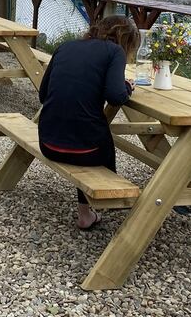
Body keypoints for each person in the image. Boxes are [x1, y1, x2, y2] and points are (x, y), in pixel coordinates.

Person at [37, 15, 140, 230]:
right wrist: (128, 87)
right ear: (126, 40)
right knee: (92, 130)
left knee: (81, 124)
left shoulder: (66, 46)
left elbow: (43, 94)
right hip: (86, 152)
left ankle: (85, 214)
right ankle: (104, 200)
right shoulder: (115, 52)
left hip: (48, 143)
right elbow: (115, 95)